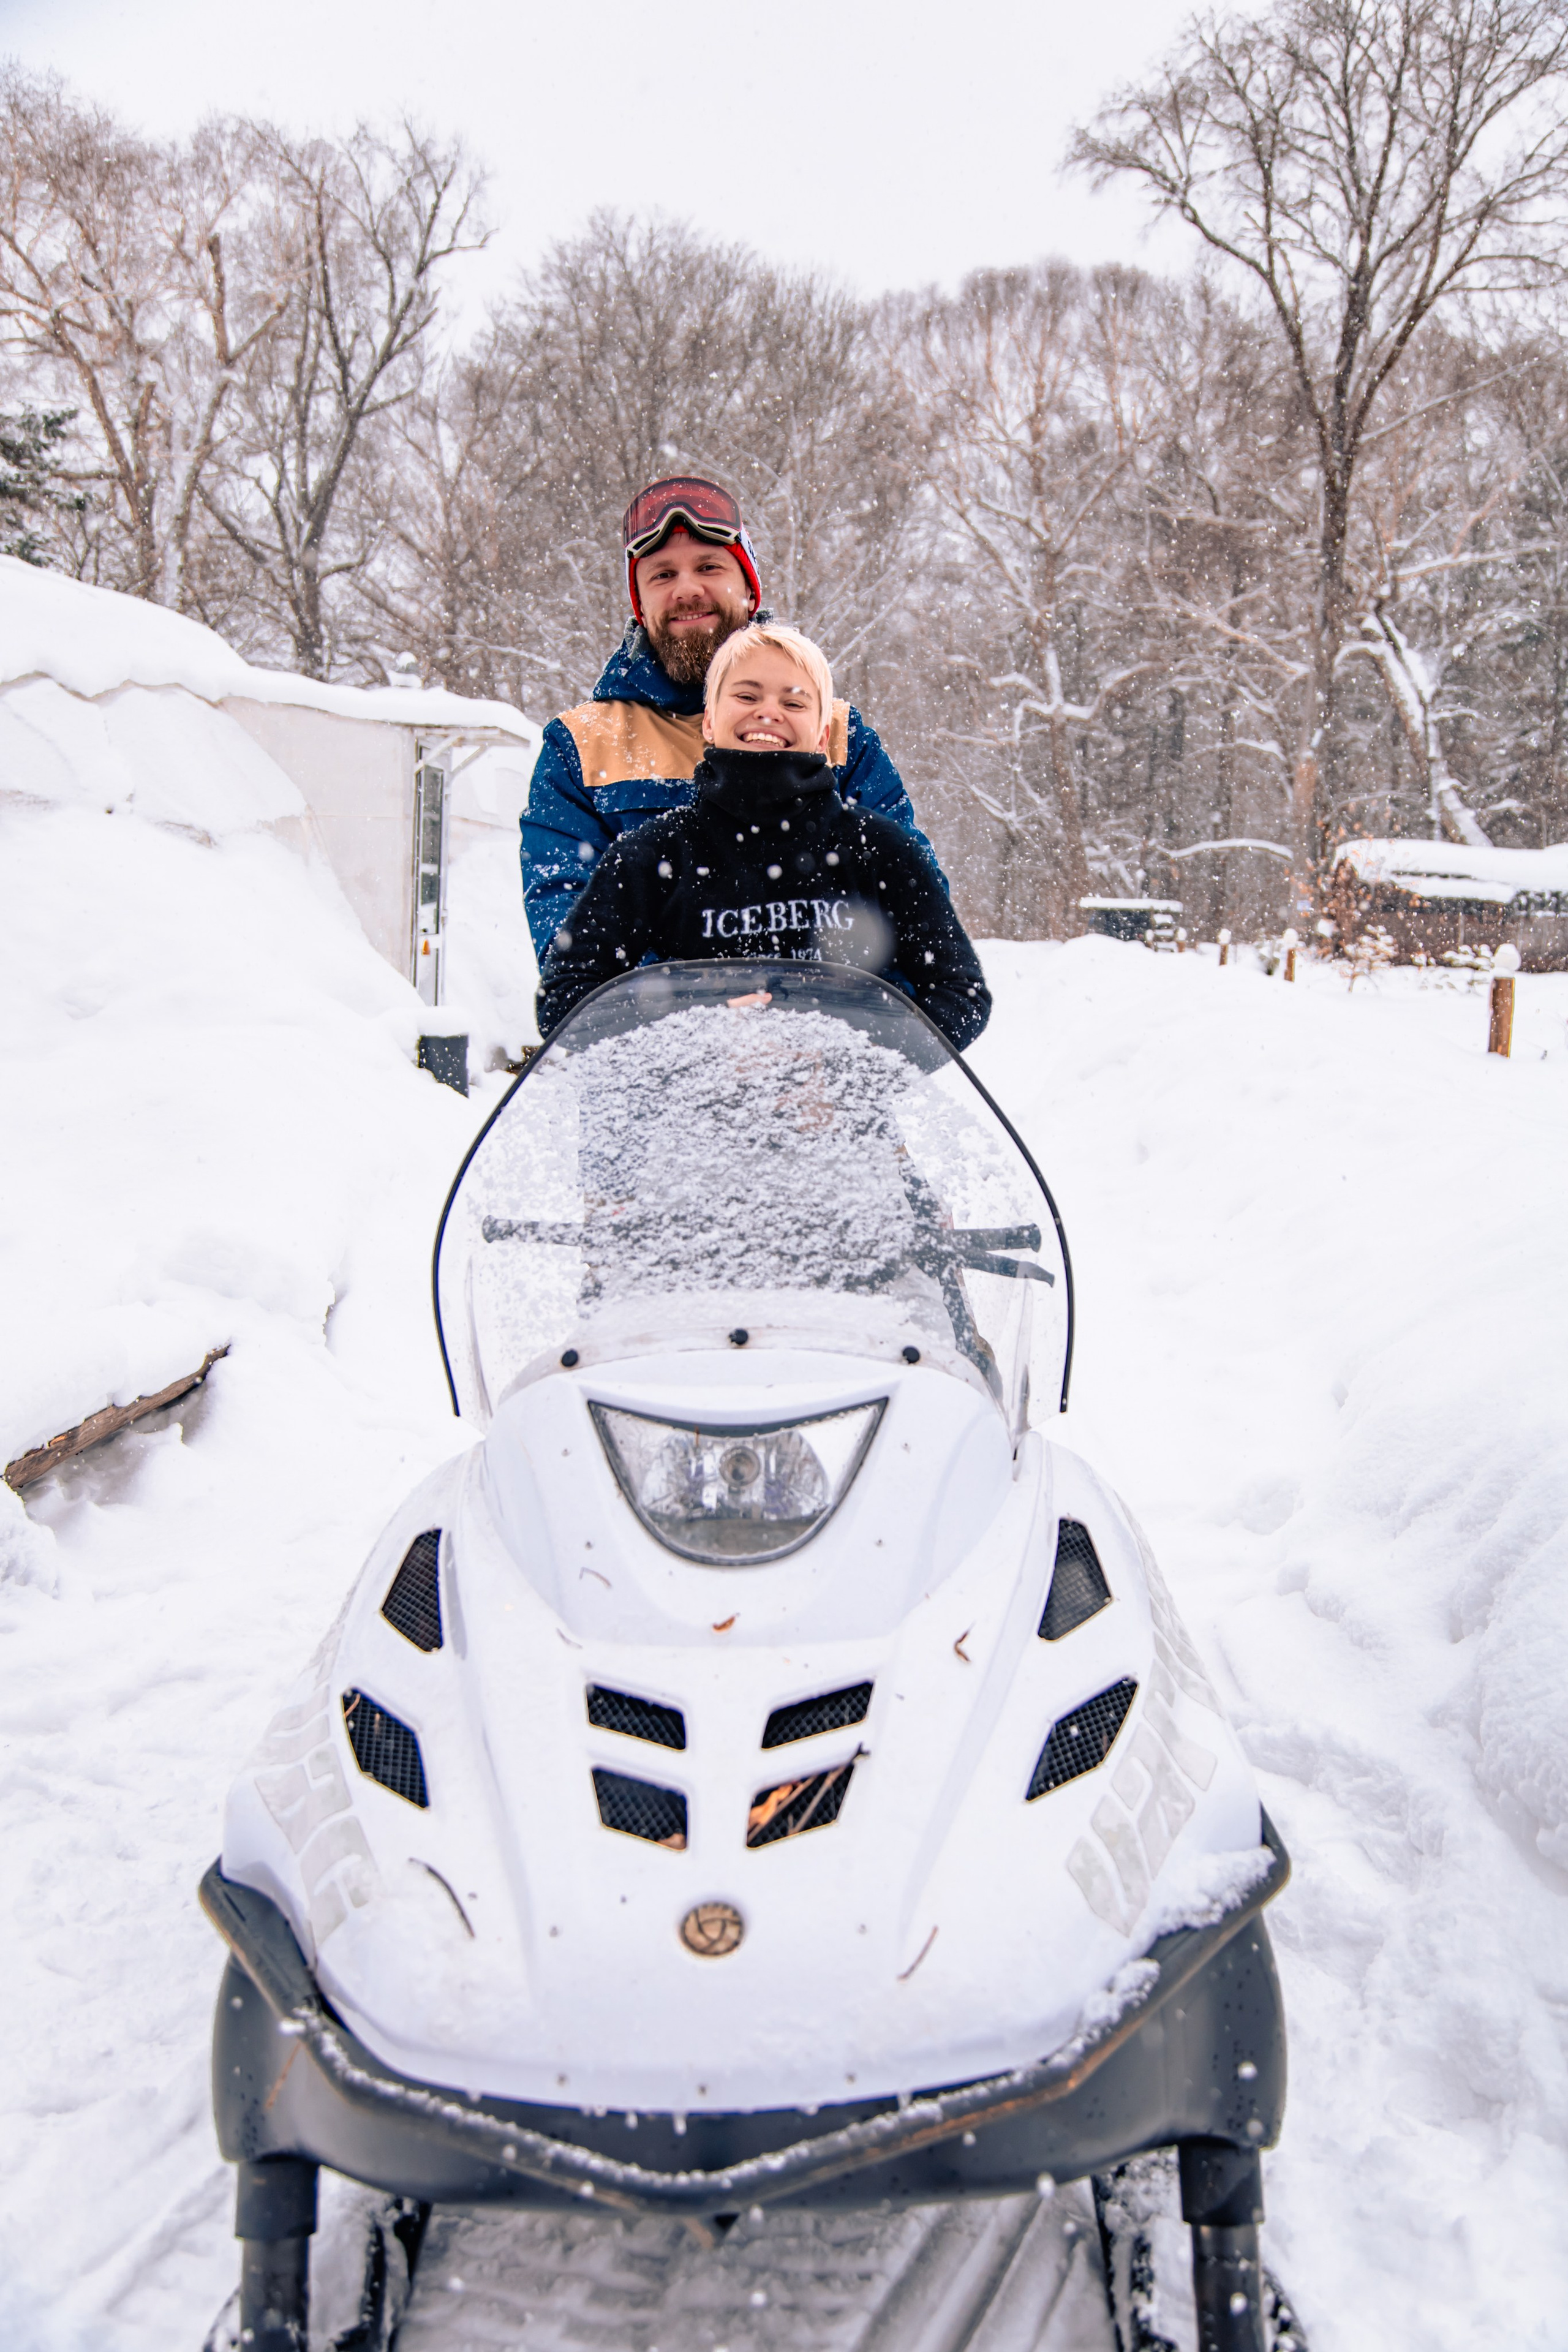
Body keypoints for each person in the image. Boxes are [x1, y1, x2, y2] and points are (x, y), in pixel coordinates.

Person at [519, 475, 946, 964]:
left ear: (749, 590)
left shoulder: (838, 734)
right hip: (653, 1036)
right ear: (640, 604)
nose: (686, 589)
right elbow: (569, 939)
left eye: (708, 566)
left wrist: (806, 1008)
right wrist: (703, 1010)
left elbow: (915, 917)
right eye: (662, 575)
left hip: (825, 1029)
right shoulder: (581, 747)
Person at [535, 622, 990, 1051]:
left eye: (794, 703)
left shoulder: (879, 850)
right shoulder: (650, 855)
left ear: (822, 733)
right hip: (680, 1126)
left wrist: (845, 1061)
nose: (769, 712)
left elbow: (960, 994)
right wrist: (697, 1036)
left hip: (842, 1126)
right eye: (747, 695)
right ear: (709, 722)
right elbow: (565, 998)